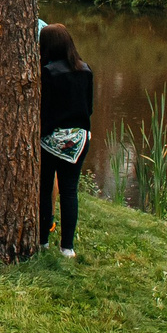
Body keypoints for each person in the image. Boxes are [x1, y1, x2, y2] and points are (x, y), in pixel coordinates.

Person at [39, 21, 95, 257]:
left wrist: (41, 133)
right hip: (80, 137)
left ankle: (42, 240)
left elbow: (46, 110)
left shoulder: (48, 72)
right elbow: (89, 107)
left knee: (44, 188)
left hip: (53, 137)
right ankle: (67, 247)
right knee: (70, 191)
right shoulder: (86, 69)